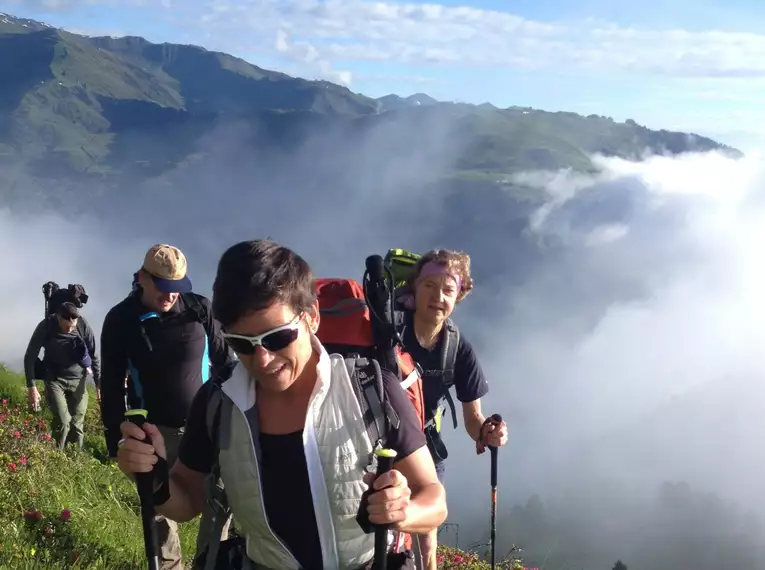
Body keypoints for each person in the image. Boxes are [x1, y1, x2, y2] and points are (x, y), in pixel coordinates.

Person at [115, 238, 448, 570]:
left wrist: (404, 513)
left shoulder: (371, 388)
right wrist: (152, 476)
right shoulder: (219, 401)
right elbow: (187, 500)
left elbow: (433, 498)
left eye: (277, 337)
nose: (262, 359)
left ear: (312, 317)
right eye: (241, 344)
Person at [100, 243, 235, 570]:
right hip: (154, 429)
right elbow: (112, 384)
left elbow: (226, 363)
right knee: (159, 510)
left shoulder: (199, 308)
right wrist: (116, 441)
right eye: (162, 287)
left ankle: (210, 563)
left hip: (206, 426)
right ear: (143, 277)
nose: (169, 296)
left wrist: (231, 414)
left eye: (176, 288)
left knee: (219, 503)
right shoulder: (121, 319)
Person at [398, 248, 508, 570]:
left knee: (427, 538)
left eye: (448, 289)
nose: (438, 297)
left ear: (459, 296)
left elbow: (473, 419)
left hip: (425, 445)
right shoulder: (389, 331)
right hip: (378, 443)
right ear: (414, 288)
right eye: (429, 286)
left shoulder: (458, 349)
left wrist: (489, 432)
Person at [23, 301, 100, 451]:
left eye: (73, 325)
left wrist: (98, 383)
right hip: (54, 379)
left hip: (79, 380)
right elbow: (30, 356)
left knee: (77, 424)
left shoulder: (83, 325)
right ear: (58, 317)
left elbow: (93, 354)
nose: (70, 328)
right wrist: (31, 387)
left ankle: (74, 461)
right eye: (66, 325)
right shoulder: (47, 326)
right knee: (63, 422)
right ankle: (58, 457)